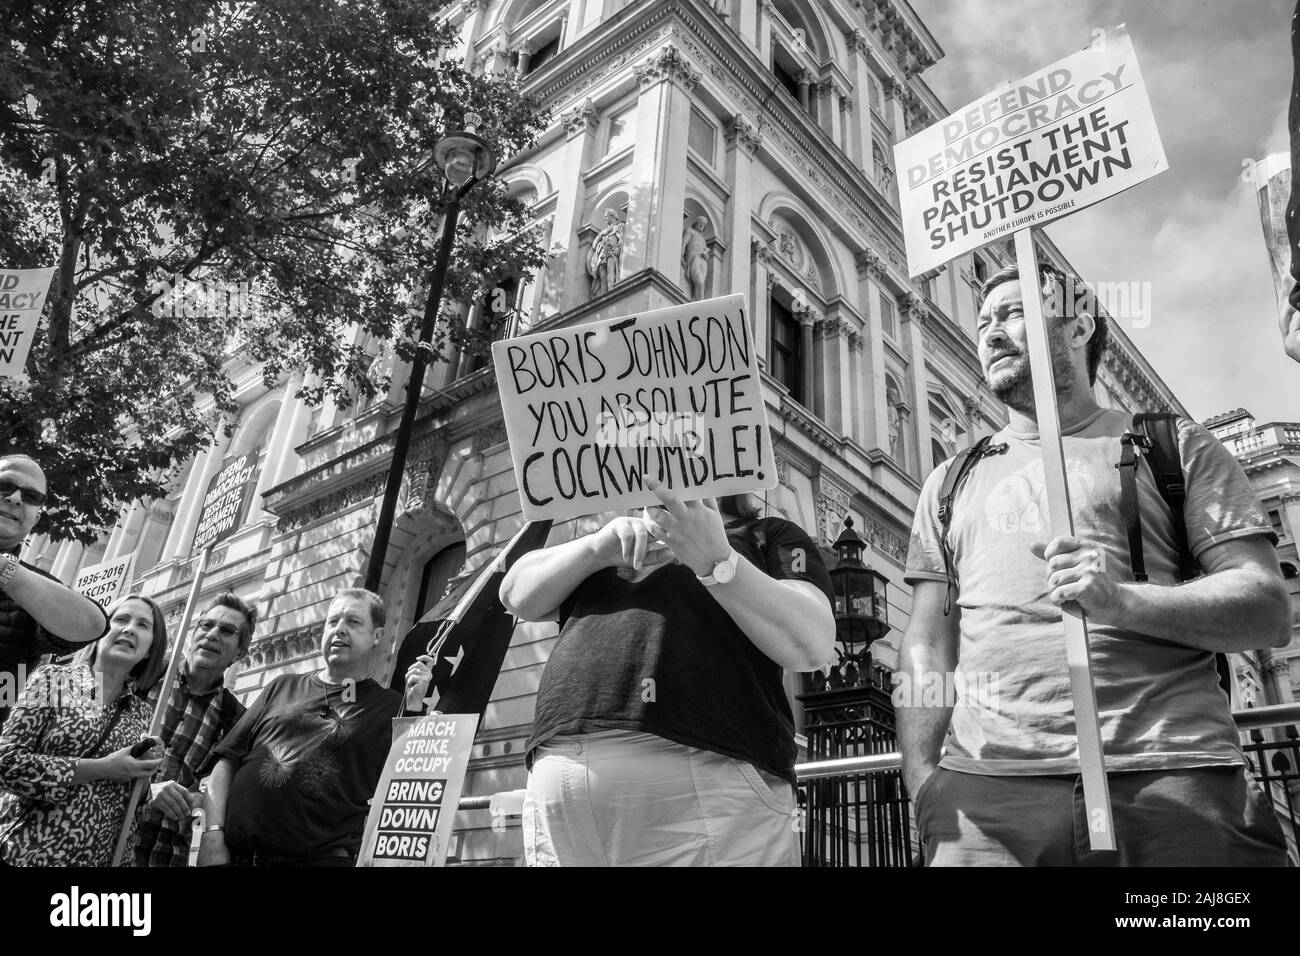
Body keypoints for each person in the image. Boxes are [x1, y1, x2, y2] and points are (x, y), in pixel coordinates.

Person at [899, 262, 1292, 866]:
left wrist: (1122, 601)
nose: (991, 333)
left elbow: (1265, 610)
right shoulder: (949, 480)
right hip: (987, 798)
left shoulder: (1173, 446)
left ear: (1078, 327)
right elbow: (928, 639)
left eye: (1013, 314)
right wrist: (924, 777)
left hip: (1170, 778)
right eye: (983, 321)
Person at [501, 484, 836, 866]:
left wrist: (717, 560)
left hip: (708, 766)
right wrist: (598, 549)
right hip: (563, 775)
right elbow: (515, 592)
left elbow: (813, 641)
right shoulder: (608, 537)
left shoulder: (769, 535)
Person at [197, 588, 434, 867]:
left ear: (377, 637)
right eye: (333, 622)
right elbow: (226, 763)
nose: (340, 630)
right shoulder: (280, 686)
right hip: (234, 857)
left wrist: (416, 705)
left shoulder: (391, 706)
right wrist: (212, 836)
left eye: (353, 622)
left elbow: (411, 784)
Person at [0, 594, 168, 866]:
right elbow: (6, 763)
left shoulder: (143, 714)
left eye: (143, 625)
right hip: (23, 852)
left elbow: (130, 811)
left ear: (150, 649)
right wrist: (103, 767)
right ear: (101, 631)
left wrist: (144, 778)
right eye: (121, 619)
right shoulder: (52, 680)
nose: (129, 629)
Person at [135, 592, 256, 866]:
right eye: (206, 625)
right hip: (105, 832)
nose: (212, 634)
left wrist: (200, 800)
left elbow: (227, 795)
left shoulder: (234, 718)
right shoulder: (147, 676)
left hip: (164, 853)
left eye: (226, 631)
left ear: (240, 651)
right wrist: (147, 788)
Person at [0, 453, 109, 729]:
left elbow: (92, 624)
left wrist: (4, 570)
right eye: (5, 485)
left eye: (31, 497)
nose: (15, 498)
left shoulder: (32, 592)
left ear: (34, 520)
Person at [586, 209, 623, 298]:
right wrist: (600, 236)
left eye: (606, 216)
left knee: (611, 271)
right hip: (602, 254)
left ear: (612, 216)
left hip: (612, 252)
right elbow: (594, 246)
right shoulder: (603, 232)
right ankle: (603, 295)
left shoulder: (618, 227)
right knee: (602, 274)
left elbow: (622, 239)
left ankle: (611, 291)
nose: (605, 219)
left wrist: (618, 248)